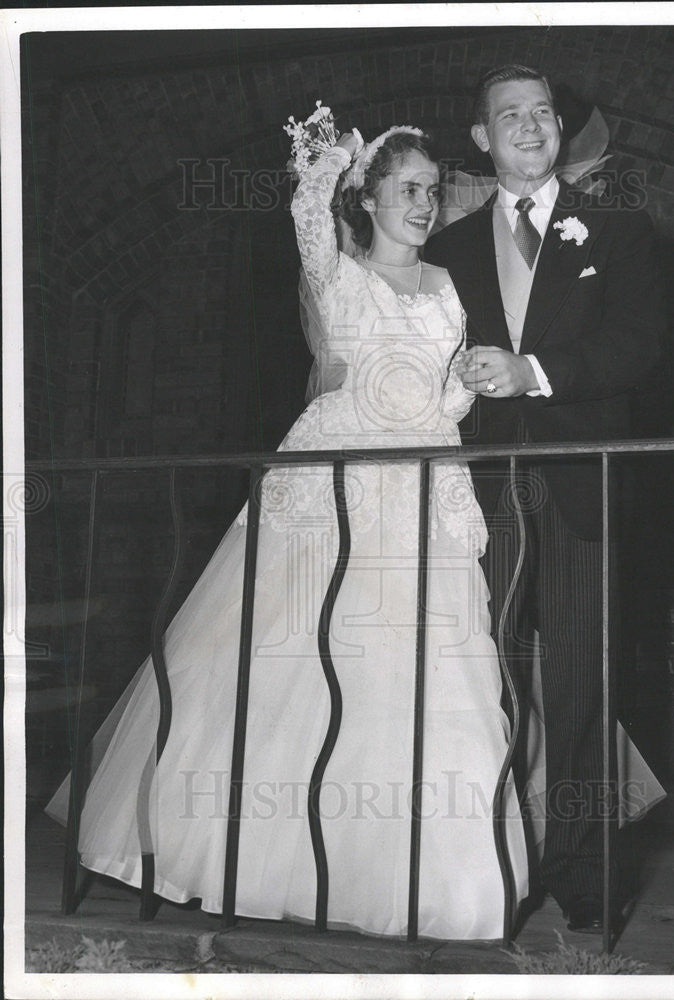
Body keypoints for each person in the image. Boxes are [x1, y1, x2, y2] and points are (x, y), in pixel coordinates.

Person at [46, 124, 530, 941]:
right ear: (369, 199)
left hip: (425, 483)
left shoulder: (447, 286)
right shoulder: (335, 273)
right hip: (331, 487)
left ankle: (416, 880)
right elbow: (307, 211)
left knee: (421, 673)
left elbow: (440, 394)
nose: (421, 205)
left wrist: (468, 382)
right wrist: (328, 162)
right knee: (292, 662)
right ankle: (245, 857)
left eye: (429, 191)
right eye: (404, 189)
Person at [426, 65, 665, 933]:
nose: (529, 126)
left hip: (581, 487)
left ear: (558, 131)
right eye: (508, 116)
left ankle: (584, 878)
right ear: (482, 141)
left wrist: (533, 373)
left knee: (578, 689)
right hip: (475, 494)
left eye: (542, 113)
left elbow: (642, 345)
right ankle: (478, 865)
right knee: (469, 681)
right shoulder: (445, 249)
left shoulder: (618, 227)